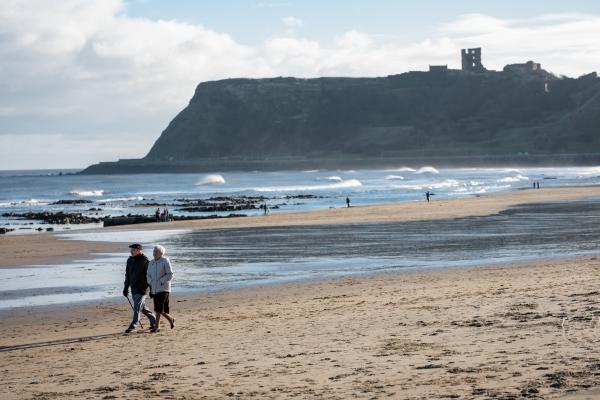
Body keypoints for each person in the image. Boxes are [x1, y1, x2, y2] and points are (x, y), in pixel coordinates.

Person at [123, 243, 156, 333]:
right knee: (143, 308)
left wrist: (151, 289)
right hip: (133, 287)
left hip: (142, 288)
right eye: (131, 250)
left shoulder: (145, 261)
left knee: (137, 307)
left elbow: (149, 276)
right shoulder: (130, 260)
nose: (131, 251)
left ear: (138, 250)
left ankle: (133, 326)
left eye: (133, 250)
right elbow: (127, 275)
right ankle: (154, 321)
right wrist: (126, 287)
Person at [147, 245, 175, 333]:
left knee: (158, 309)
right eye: (153, 251)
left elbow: (170, 274)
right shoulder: (151, 262)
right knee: (159, 309)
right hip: (154, 289)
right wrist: (150, 282)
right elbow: (148, 275)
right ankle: (171, 319)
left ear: (161, 253)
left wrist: (161, 281)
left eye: (156, 251)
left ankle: (157, 327)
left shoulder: (165, 261)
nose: (154, 253)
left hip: (164, 289)